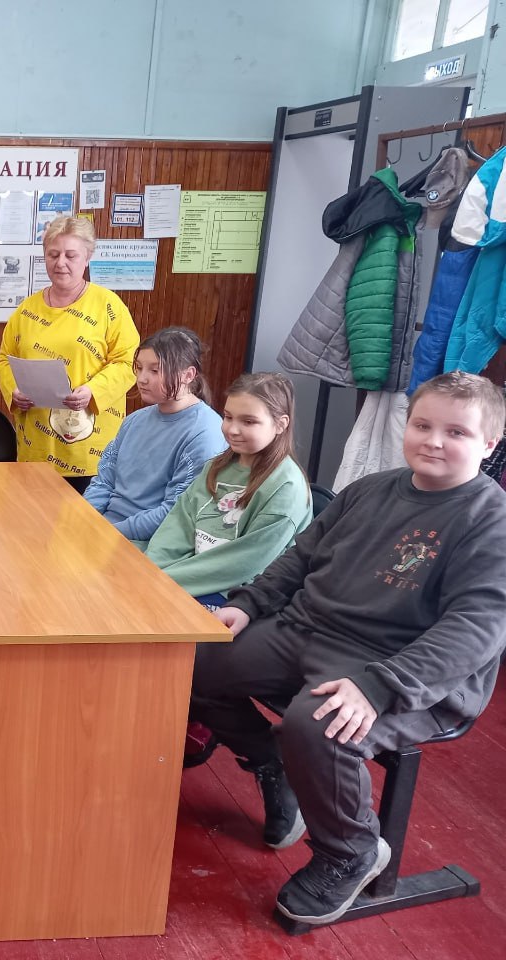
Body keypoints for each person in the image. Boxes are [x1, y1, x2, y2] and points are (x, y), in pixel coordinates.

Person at [190, 371, 506, 926]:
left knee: (320, 725)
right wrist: (251, 603)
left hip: (400, 667)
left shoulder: (490, 520)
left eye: (456, 432)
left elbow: (475, 629)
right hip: (307, 628)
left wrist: (379, 686)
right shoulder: (369, 489)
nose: (433, 441)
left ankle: (350, 851)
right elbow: (301, 556)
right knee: (192, 661)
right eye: (422, 425)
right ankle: (271, 764)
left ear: (490, 443)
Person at [0, 216, 140, 492]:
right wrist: (14, 390)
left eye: (70, 255)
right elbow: (4, 359)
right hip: (36, 445)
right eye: (53, 255)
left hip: (89, 449)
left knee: (84, 520)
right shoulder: (26, 310)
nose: (60, 263)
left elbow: (128, 361)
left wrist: (94, 391)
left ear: (87, 257)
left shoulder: (108, 306)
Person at [144, 372, 312, 605]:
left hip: (237, 596)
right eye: (228, 417)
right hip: (184, 577)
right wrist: (150, 569)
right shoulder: (216, 466)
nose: (232, 429)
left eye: (248, 421)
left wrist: (162, 582)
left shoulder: (286, 487)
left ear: (281, 424)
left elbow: (246, 563)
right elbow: (178, 525)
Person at [84, 327, 227, 543]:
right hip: (105, 529)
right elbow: (104, 480)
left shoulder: (205, 433)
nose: (142, 379)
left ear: (188, 375)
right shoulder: (134, 420)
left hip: (147, 542)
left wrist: (106, 533)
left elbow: (174, 513)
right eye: (139, 368)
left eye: (155, 370)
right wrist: (86, 519)